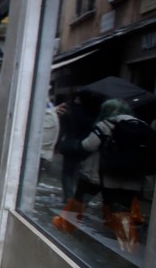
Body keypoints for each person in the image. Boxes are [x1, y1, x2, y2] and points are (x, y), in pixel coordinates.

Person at [52, 98, 152, 252]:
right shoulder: (141, 125)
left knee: (79, 201)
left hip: (96, 175)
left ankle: (64, 228)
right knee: (122, 211)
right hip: (128, 178)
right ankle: (128, 244)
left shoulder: (106, 124)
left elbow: (88, 145)